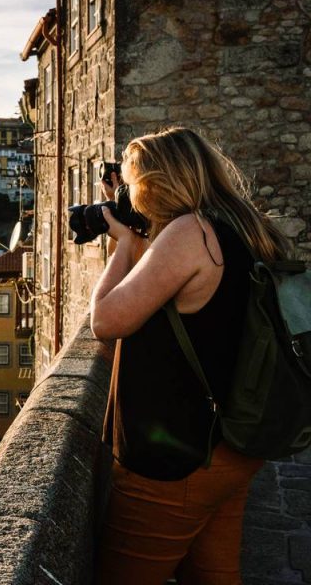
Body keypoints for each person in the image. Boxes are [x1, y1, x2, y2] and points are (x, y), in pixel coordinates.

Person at [90, 127, 290, 584]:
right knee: (213, 575)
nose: (130, 196)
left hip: (180, 460)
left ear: (156, 183)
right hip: (230, 446)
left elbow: (105, 319)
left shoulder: (190, 233)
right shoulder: (243, 229)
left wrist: (124, 244)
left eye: (133, 184)